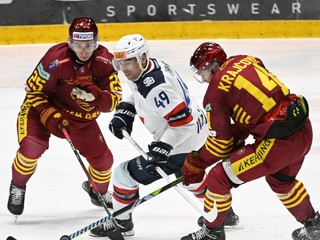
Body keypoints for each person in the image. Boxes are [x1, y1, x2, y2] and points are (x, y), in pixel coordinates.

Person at [89, 34, 240, 238]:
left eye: (128, 62)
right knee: (189, 177)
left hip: (182, 141)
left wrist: (163, 148)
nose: (124, 69)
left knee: (123, 175)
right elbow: (141, 92)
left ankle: (122, 223)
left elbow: (183, 123)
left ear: (142, 58)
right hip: (198, 133)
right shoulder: (150, 67)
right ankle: (224, 213)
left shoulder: (156, 87)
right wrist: (127, 108)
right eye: (120, 63)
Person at [180, 41, 319, 240]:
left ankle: (212, 232)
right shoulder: (245, 59)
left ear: (214, 64)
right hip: (302, 128)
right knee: (280, 180)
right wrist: (237, 135)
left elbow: (220, 144)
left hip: (277, 143)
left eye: (203, 72)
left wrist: (196, 162)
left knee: (218, 177)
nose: (202, 80)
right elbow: (258, 104)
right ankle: (313, 225)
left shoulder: (214, 94)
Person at [7, 17, 122, 218]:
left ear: (96, 42)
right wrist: (48, 113)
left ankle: (98, 192)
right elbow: (33, 92)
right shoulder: (55, 60)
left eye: (89, 45)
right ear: (70, 42)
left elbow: (113, 101)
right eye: (78, 45)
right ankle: (18, 186)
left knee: (104, 161)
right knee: (32, 147)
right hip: (41, 109)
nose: (84, 50)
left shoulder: (105, 61)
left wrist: (97, 97)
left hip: (79, 116)